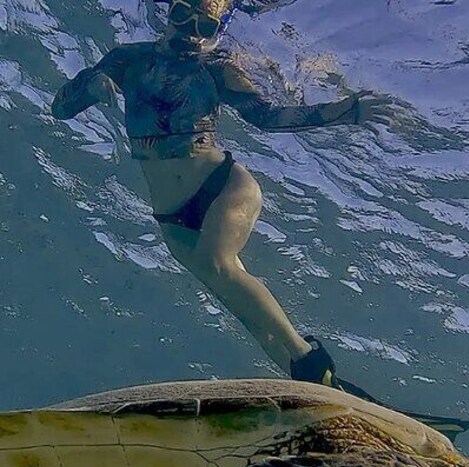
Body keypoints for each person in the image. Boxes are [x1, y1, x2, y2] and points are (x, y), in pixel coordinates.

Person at [51, 0, 396, 385]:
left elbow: (266, 117)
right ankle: (315, 384)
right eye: (183, 16)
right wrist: (88, 84)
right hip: (171, 217)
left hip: (224, 187)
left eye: (205, 27)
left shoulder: (216, 71)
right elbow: (59, 109)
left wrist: (345, 112)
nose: (191, 32)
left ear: (216, 35)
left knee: (218, 263)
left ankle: (309, 356)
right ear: (169, 15)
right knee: (239, 306)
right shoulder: (127, 60)